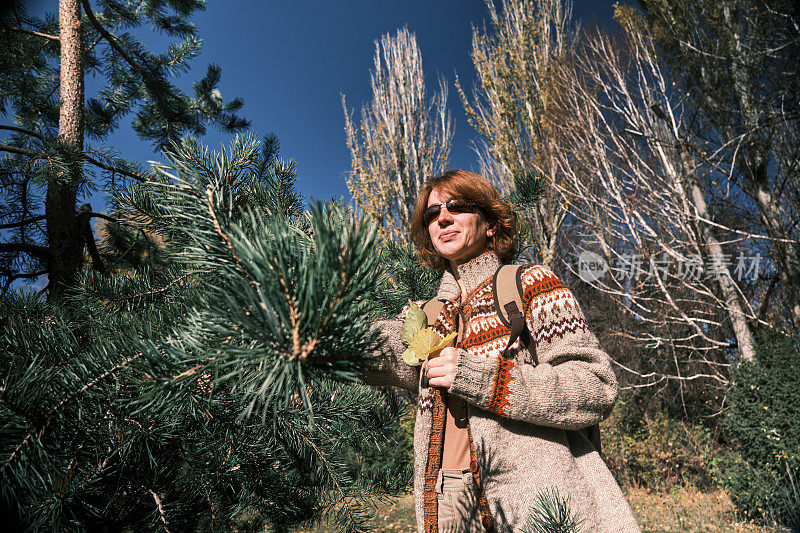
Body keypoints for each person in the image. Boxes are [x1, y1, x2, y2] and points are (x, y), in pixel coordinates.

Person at [368, 170, 640, 532]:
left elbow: (594, 387)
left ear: (491, 224)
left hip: (536, 501)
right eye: (431, 214)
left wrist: (480, 378)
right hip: (445, 499)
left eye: (457, 206)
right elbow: (360, 346)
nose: (442, 218)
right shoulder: (426, 315)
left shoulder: (530, 283)